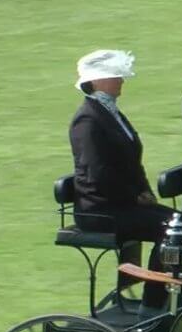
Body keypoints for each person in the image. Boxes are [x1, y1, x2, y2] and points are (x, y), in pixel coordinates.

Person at [69, 49, 174, 315]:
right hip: (100, 210)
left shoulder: (111, 113)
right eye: (115, 76)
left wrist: (145, 192)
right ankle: (153, 303)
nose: (121, 80)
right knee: (172, 231)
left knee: (180, 223)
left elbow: (132, 162)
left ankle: (161, 295)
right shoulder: (88, 120)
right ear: (96, 81)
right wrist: (134, 196)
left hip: (122, 203)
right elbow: (99, 173)